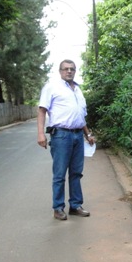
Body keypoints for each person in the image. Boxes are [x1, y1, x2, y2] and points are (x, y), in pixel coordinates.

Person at [37, 59, 95, 220]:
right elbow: (42, 111)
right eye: (65, 69)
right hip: (61, 135)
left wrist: (87, 135)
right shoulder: (51, 87)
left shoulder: (78, 90)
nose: (69, 71)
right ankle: (58, 207)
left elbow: (81, 116)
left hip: (78, 135)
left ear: (75, 71)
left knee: (76, 172)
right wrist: (40, 134)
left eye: (72, 69)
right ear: (60, 71)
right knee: (60, 174)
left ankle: (75, 205)